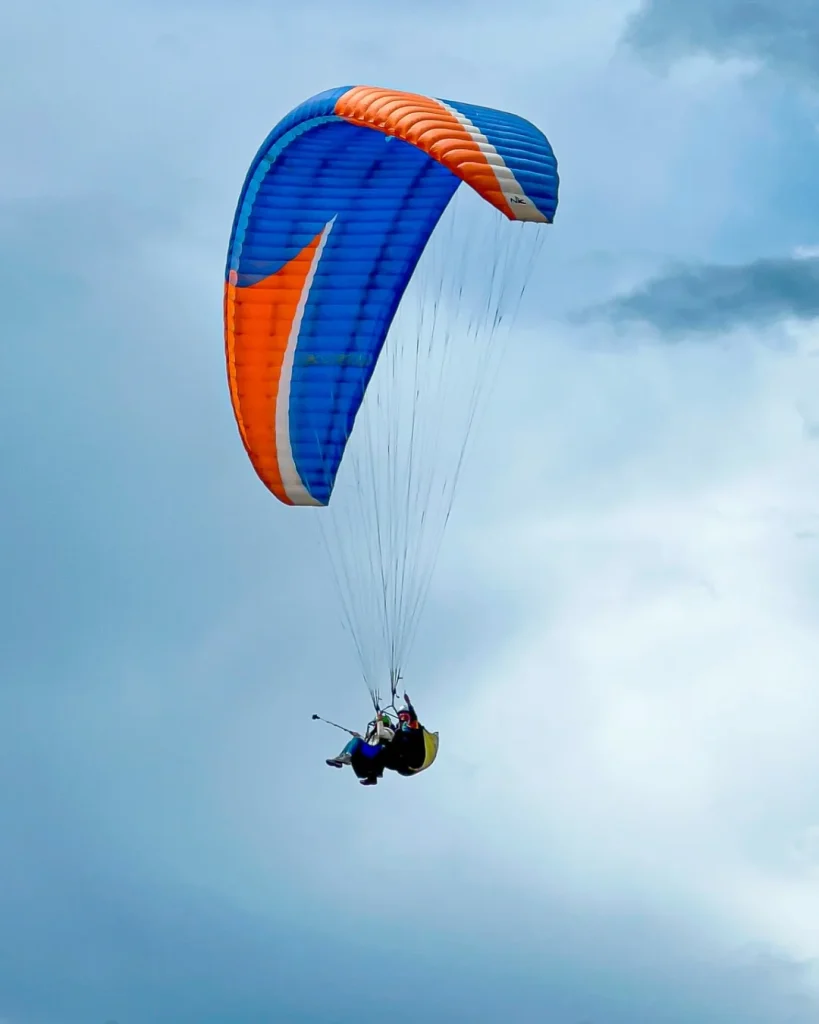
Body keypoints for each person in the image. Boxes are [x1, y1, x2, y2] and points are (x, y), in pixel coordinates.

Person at [326, 711, 395, 785]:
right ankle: (371, 777)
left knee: (357, 740)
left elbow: (381, 734)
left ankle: (345, 757)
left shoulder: (388, 731)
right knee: (355, 742)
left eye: (375, 723)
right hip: (373, 753)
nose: (374, 725)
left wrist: (379, 720)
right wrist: (359, 736)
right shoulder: (375, 734)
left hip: (377, 752)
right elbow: (370, 743)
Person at [383, 692, 427, 776]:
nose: (403, 719)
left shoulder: (413, 725)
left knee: (399, 733)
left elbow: (414, 718)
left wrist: (409, 703)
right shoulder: (398, 728)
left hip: (415, 759)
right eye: (401, 717)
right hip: (403, 765)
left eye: (405, 716)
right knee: (384, 745)